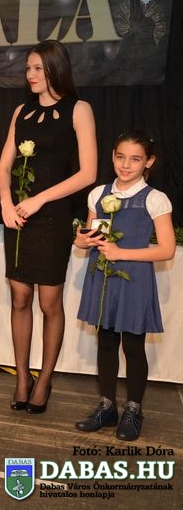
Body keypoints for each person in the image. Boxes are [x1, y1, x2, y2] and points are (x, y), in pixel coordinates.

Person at [0, 40, 97, 413]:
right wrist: (6, 203)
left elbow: (88, 173)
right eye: (28, 69)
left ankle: (45, 379)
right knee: (19, 297)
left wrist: (39, 199)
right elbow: (3, 167)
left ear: (55, 68)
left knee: (49, 302)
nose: (30, 75)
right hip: (18, 217)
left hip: (52, 218)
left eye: (37, 68)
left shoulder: (78, 109)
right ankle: (22, 378)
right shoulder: (21, 111)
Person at [73, 131, 174, 441]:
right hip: (103, 276)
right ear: (112, 156)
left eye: (135, 159)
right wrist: (81, 240)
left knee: (132, 345)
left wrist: (121, 253)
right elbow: (90, 235)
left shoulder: (155, 199)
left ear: (149, 162)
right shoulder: (98, 194)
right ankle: (107, 407)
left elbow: (167, 249)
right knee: (105, 341)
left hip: (134, 279)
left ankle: (133, 409)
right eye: (120, 157)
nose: (126, 165)